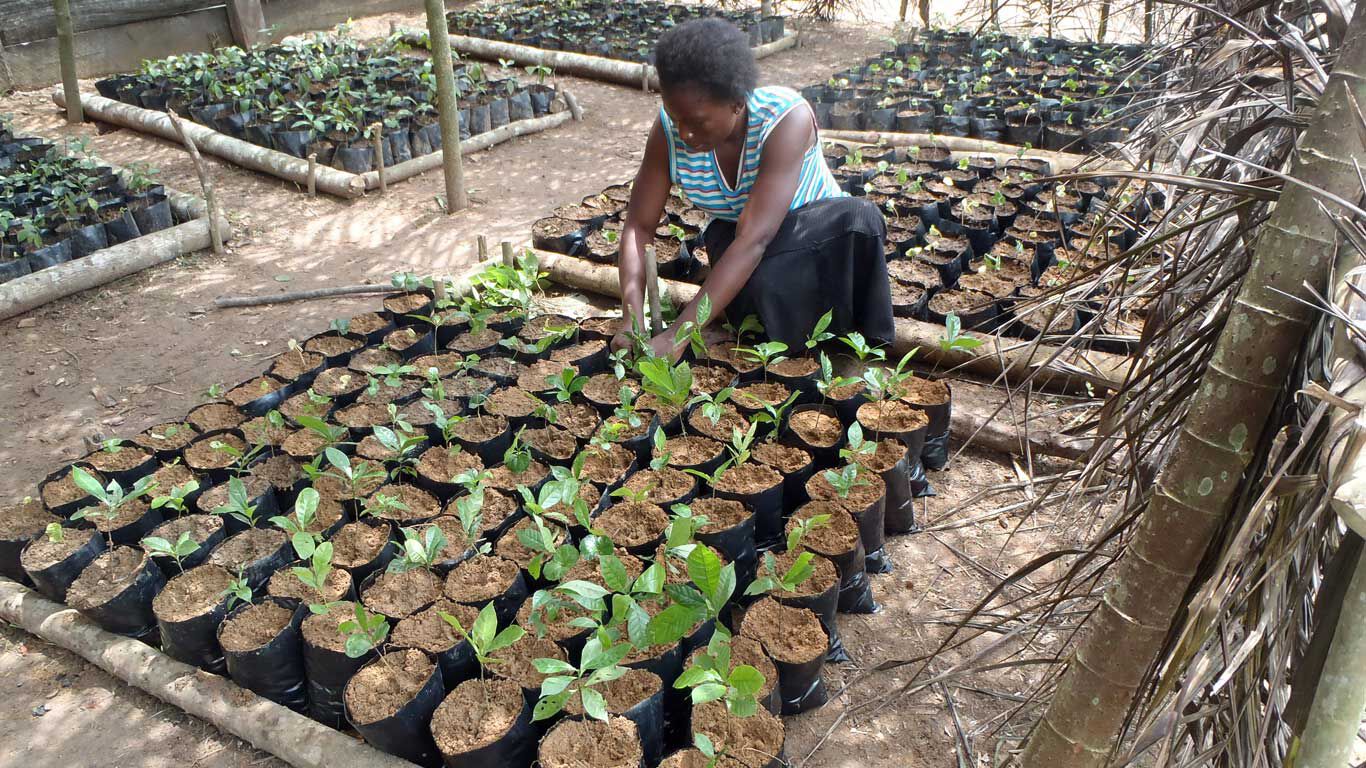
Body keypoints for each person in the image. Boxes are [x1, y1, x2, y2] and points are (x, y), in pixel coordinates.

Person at [611, 17, 894, 359]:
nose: (684, 133)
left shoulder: (785, 119)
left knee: (860, 219)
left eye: (696, 122)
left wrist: (678, 335)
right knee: (755, 280)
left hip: (817, 235)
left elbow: (755, 239)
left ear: (737, 102)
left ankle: (861, 352)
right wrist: (631, 317)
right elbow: (638, 228)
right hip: (741, 239)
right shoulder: (670, 131)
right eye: (676, 117)